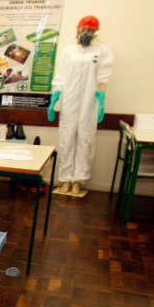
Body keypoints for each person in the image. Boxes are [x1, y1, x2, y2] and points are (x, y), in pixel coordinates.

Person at [48, 15, 113, 196]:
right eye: (83, 29)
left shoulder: (102, 51)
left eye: (90, 30)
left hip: (89, 102)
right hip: (69, 100)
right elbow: (61, 74)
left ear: (95, 32)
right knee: (66, 138)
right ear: (78, 30)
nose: (85, 33)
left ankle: (79, 179)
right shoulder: (69, 51)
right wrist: (55, 97)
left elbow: (103, 76)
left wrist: (101, 99)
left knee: (85, 139)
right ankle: (66, 179)